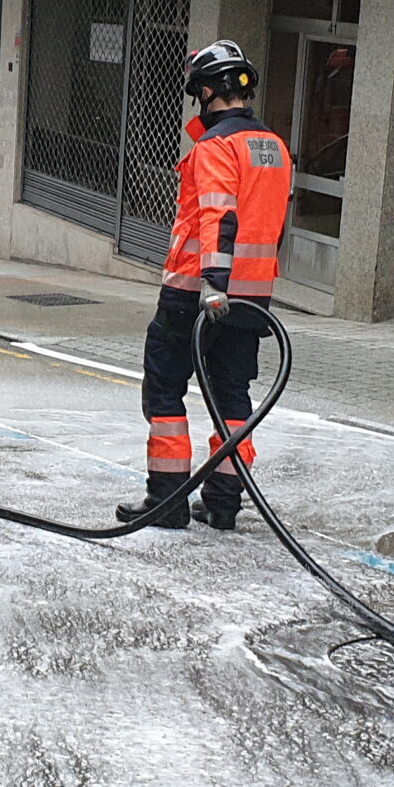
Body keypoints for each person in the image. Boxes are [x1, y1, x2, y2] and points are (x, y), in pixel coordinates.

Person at [116, 41, 292, 532]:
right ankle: (222, 503)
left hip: (196, 294)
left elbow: (219, 215)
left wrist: (213, 284)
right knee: (232, 397)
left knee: (166, 392)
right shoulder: (275, 148)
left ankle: (166, 501)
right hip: (253, 300)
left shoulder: (216, 148)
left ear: (207, 91)